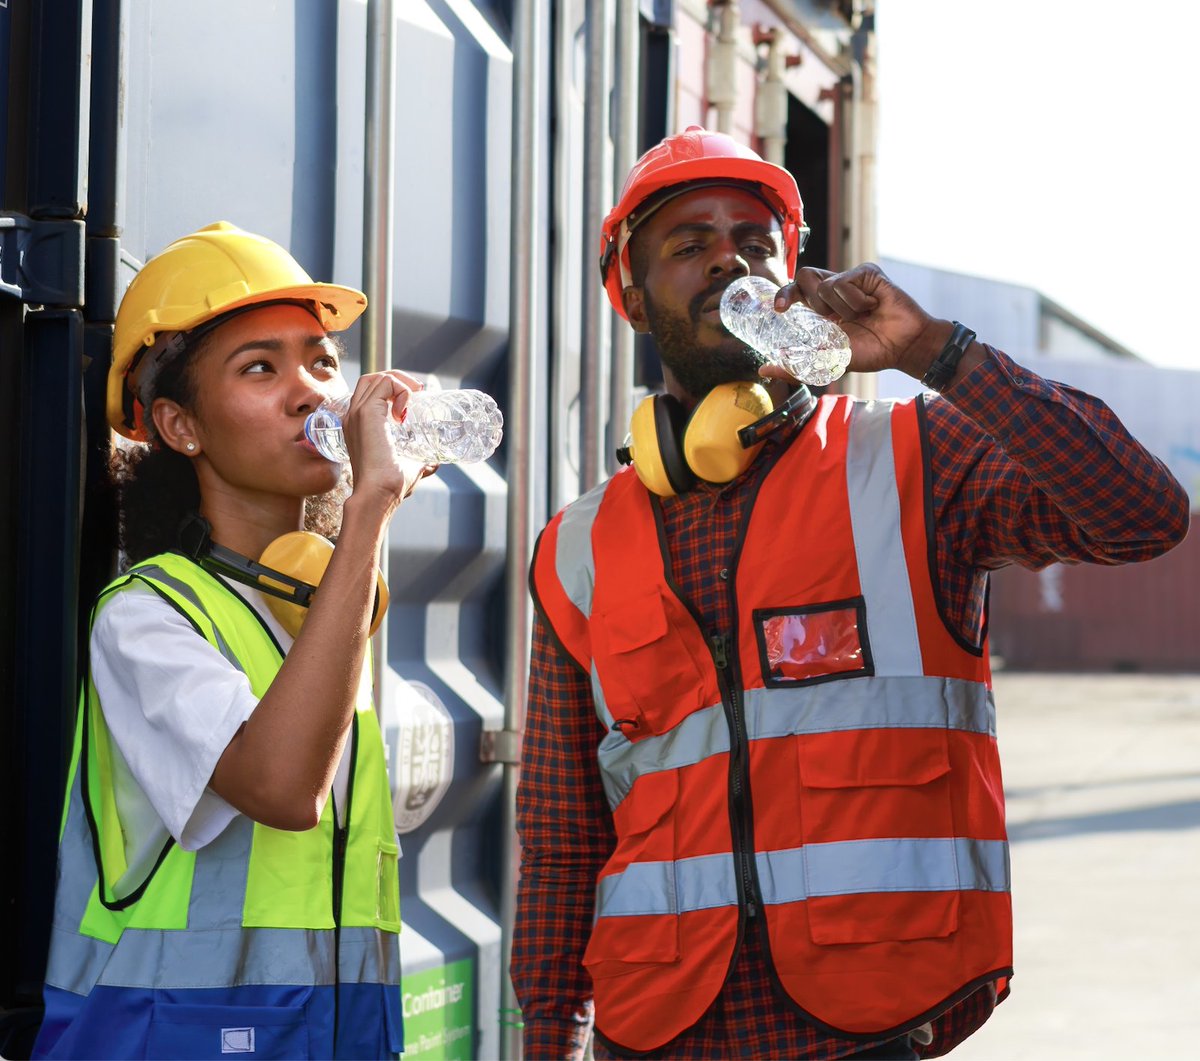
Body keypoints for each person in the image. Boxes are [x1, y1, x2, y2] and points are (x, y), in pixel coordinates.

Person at [512, 126, 1190, 1059]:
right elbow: (560, 833)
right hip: (656, 1030)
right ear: (630, 294)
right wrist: (549, 1037)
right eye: (688, 243)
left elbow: (1141, 512)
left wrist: (936, 352)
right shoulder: (578, 546)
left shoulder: (915, 458)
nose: (728, 261)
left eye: (754, 241)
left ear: (790, 277)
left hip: (867, 1023)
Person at [33, 222, 423, 1059]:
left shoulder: (310, 604)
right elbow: (284, 788)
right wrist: (367, 519)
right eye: (261, 367)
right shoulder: (145, 617)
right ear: (179, 426)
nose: (313, 392)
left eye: (321, 359)